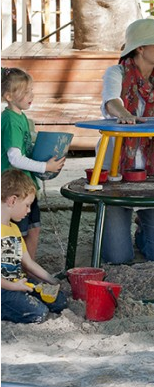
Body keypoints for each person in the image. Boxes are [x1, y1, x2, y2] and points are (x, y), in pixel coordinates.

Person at [98, 17, 154, 264]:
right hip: (116, 172)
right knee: (117, 258)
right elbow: (111, 101)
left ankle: (142, 230)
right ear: (140, 48)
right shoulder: (116, 73)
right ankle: (123, 226)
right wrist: (124, 115)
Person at [1, 67, 67, 260]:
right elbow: (14, 158)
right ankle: (14, 270)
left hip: (27, 185)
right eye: (25, 92)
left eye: (31, 90)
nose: (31, 95)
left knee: (34, 229)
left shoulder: (21, 117)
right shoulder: (10, 120)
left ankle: (29, 268)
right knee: (16, 233)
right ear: (8, 96)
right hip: (14, 187)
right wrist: (45, 167)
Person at [2, 169, 68, 323]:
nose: (29, 210)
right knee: (39, 313)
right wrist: (14, 287)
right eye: (27, 205)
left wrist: (54, 281)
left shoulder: (14, 228)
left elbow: (28, 263)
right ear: (12, 201)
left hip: (19, 283)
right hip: (3, 290)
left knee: (60, 302)